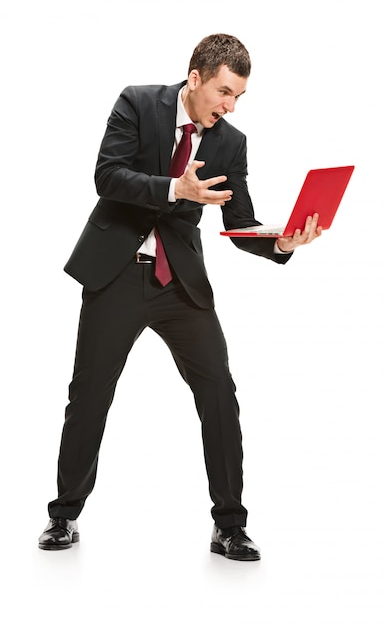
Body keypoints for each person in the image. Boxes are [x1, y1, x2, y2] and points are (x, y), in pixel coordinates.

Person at [38, 33, 321, 559]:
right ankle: (63, 516)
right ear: (195, 78)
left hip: (180, 284)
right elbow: (107, 177)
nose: (229, 105)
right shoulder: (138, 103)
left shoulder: (230, 142)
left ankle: (230, 526)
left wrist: (279, 240)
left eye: (238, 97)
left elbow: (239, 223)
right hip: (117, 272)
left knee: (218, 395)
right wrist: (176, 190)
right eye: (223, 91)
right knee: (90, 395)